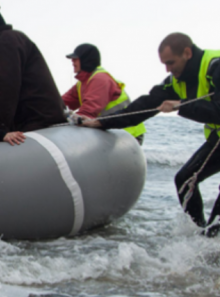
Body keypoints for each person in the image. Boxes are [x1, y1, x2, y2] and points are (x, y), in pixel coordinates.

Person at [81, 33, 220, 236]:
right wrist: (102, 122)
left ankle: (210, 239)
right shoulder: (176, 80)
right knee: (185, 179)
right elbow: (145, 105)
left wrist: (182, 105)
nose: (168, 69)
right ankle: (200, 236)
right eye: (164, 64)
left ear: (187, 53)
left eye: (171, 62)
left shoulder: (215, 67)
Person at [0, 1, 66, 138]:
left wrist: (0, 130)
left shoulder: (6, 41)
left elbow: (5, 85)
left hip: (38, 120)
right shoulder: (4, 40)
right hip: (31, 120)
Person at [61, 43, 146, 144]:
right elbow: (61, 103)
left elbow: (88, 112)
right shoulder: (82, 83)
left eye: (75, 59)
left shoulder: (100, 79)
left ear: (86, 60)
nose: (72, 61)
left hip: (128, 133)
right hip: (111, 131)